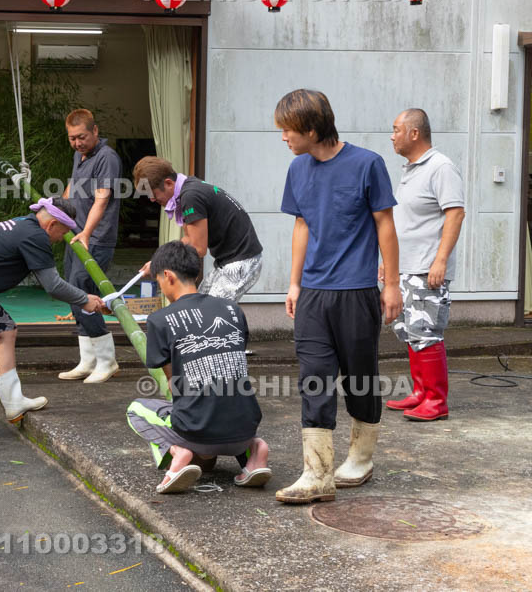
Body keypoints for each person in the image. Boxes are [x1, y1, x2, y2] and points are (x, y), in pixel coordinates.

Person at [274, 89, 402, 504]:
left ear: (312, 129)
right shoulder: (298, 169)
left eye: (288, 131)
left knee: (360, 376)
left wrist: (393, 284)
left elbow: (385, 224)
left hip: (356, 290)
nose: (283, 138)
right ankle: (317, 473)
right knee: (314, 376)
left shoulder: (367, 164)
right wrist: (294, 283)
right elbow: (302, 226)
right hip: (313, 292)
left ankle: (361, 459)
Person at [0, 197, 106, 445]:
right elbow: (53, 285)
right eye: (63, 232)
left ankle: (13, 400)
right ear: (51, 226)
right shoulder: (35, 237)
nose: (61, 239)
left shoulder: (24, 225)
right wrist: (84, 300)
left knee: (6, 330)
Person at [127, 241, 270, 493]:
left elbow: (174, 386)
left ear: (168, 276)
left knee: (136, 409)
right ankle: (256, 450)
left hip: (197, 432)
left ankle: (178, 451)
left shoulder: (160, 320)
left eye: (159, 280)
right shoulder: (232, 309)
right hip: (246, 426)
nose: (161, 287)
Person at [384, 109, 464, 421]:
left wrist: (440, 260)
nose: (392, 136)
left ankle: (436, 400)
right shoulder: (412, 169)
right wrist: (389, 266)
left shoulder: (441, 167)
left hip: (427, 269)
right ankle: (420, 392)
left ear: (414, 133)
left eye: (396, 129)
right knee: (410, 330)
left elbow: (455, 214)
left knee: (427, 331)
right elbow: (407, 222)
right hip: (407, 267)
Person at [133, 156, 263, 302]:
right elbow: (188, 239)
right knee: (198, 304)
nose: (152, 200)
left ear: (168, 183)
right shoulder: (187, 189)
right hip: (228, 260)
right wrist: (157, 261)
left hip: (242, 261)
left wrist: (161, 263)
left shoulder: (191, 196)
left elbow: (198, 248)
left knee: (210, 312)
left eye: (153, 194)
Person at [58, 108, 124, 384]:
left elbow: (103, 198)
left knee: (83, 294)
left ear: (95, 131)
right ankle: (87, 360)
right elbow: (72, 187)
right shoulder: (79, 155)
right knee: (73, 292)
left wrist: (86, 231)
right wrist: (59, 214)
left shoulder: (107, 158)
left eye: (82, 137)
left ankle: (107, 360)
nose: (77, 143)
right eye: (72, 138)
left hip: (95, 238)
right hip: (75, 234)